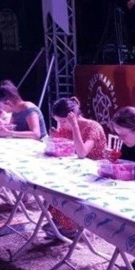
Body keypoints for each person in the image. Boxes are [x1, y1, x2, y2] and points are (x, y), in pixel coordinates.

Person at [46, 96, 108, 237]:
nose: (61, 125)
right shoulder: (65, 127)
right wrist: (54, 138)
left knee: (63, 187)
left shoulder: (93, 127)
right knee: (51, 183)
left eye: (62, 121)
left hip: (94, 174)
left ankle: (70, 225)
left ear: (73, 116)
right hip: (75, 169)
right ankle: (60, 219)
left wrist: (74, 127)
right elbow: (63, 150)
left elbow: (81, 153)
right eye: (58, 121)